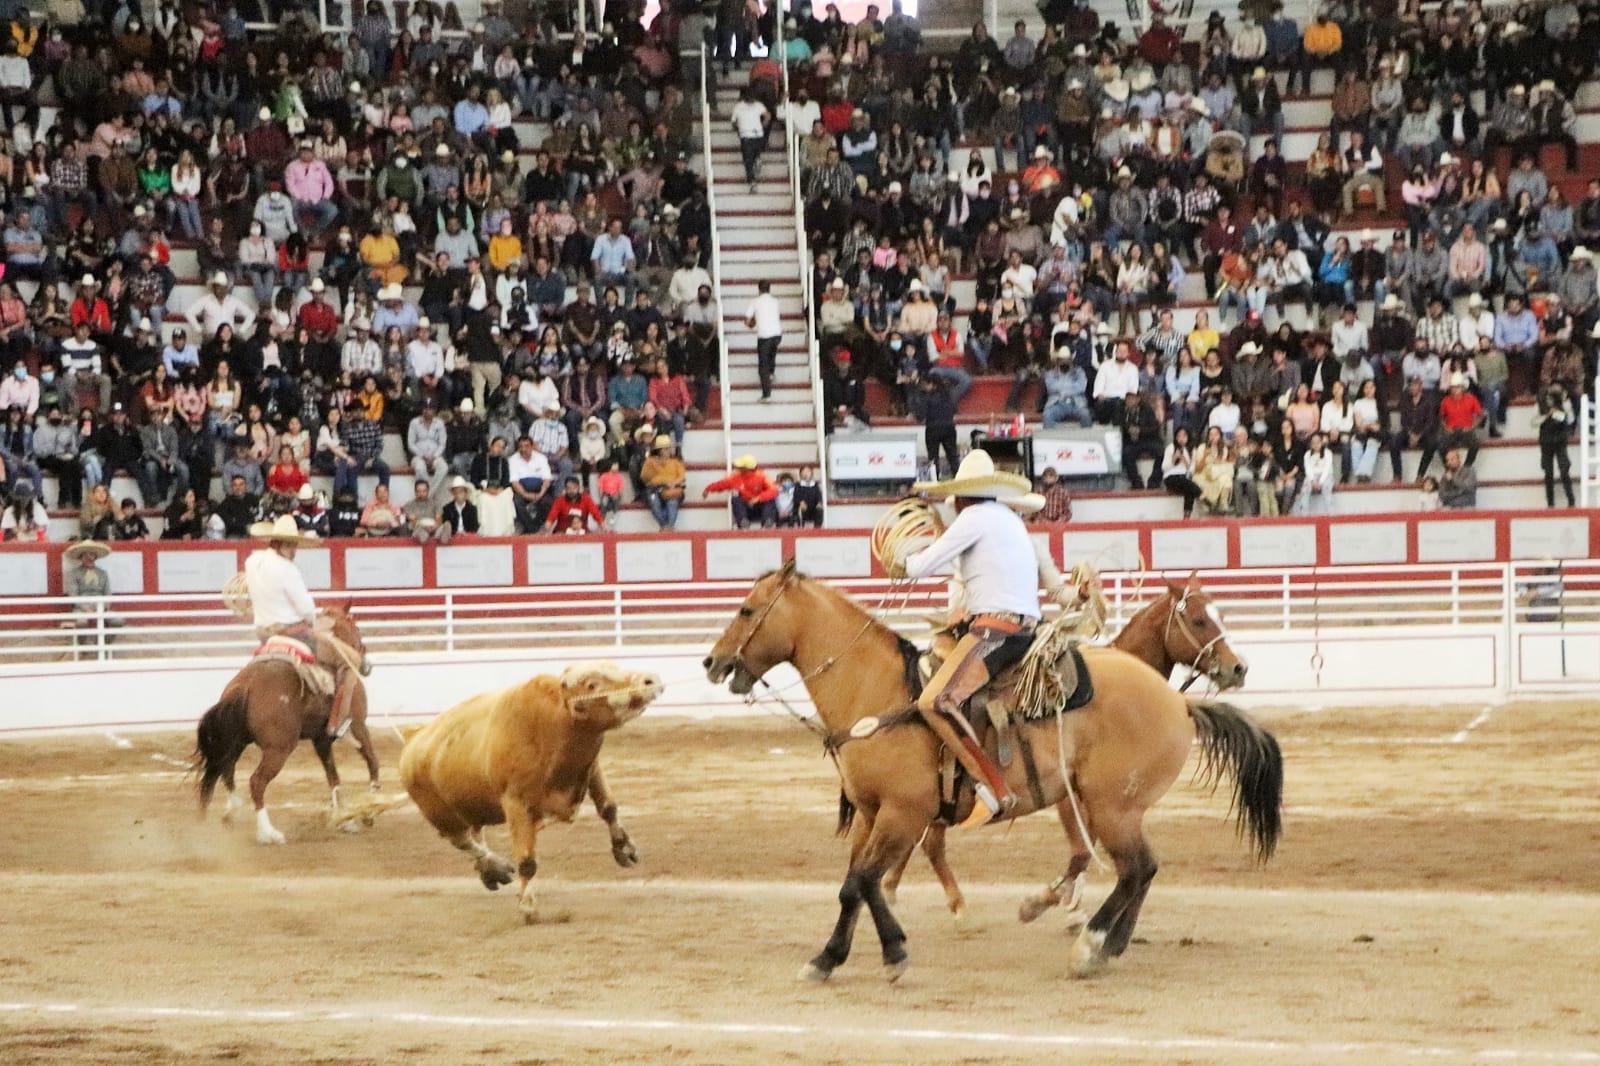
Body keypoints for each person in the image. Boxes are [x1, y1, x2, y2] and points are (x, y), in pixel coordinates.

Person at [896, 450, 1073, 828]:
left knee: (935, 701)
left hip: (996, 630)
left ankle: (991, 786)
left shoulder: (973, 519)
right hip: (1022, 626)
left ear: (962, 496)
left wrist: (898, 560)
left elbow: (920, 566)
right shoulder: (1010, 521)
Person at [244, 514, 359, 737]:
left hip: (263, 634)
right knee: (349, 661)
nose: (295, 550)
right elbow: (306, 609)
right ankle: (337, 723)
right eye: (293, 545)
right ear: (284, 545)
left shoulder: (252, 562)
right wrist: (314, 622)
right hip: (293, 634)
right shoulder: (288, 570)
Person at [703, 454, 780, 529]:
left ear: (746, 469)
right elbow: (721, 484)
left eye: (740, 466)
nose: (737, 468)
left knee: (770, 499)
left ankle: (768, 522)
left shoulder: (762, 476)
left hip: (760, 508)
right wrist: (708, 489)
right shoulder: (735, 477)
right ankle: (743, 522)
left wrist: (758, 498)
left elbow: (774, 490)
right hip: (745, 509)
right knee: (735, 499)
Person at [1533, 384, 1576, 508]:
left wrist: (1563, 407)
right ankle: (1550, 503)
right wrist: (1547, 415)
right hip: (1546, 441)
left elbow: (1570, 420)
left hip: (1560, 441)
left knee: (1564, 470)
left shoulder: (1564, 404)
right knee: (1548, 473)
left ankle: (1571, 500)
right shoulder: (1539, 405)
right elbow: (1534, 422)